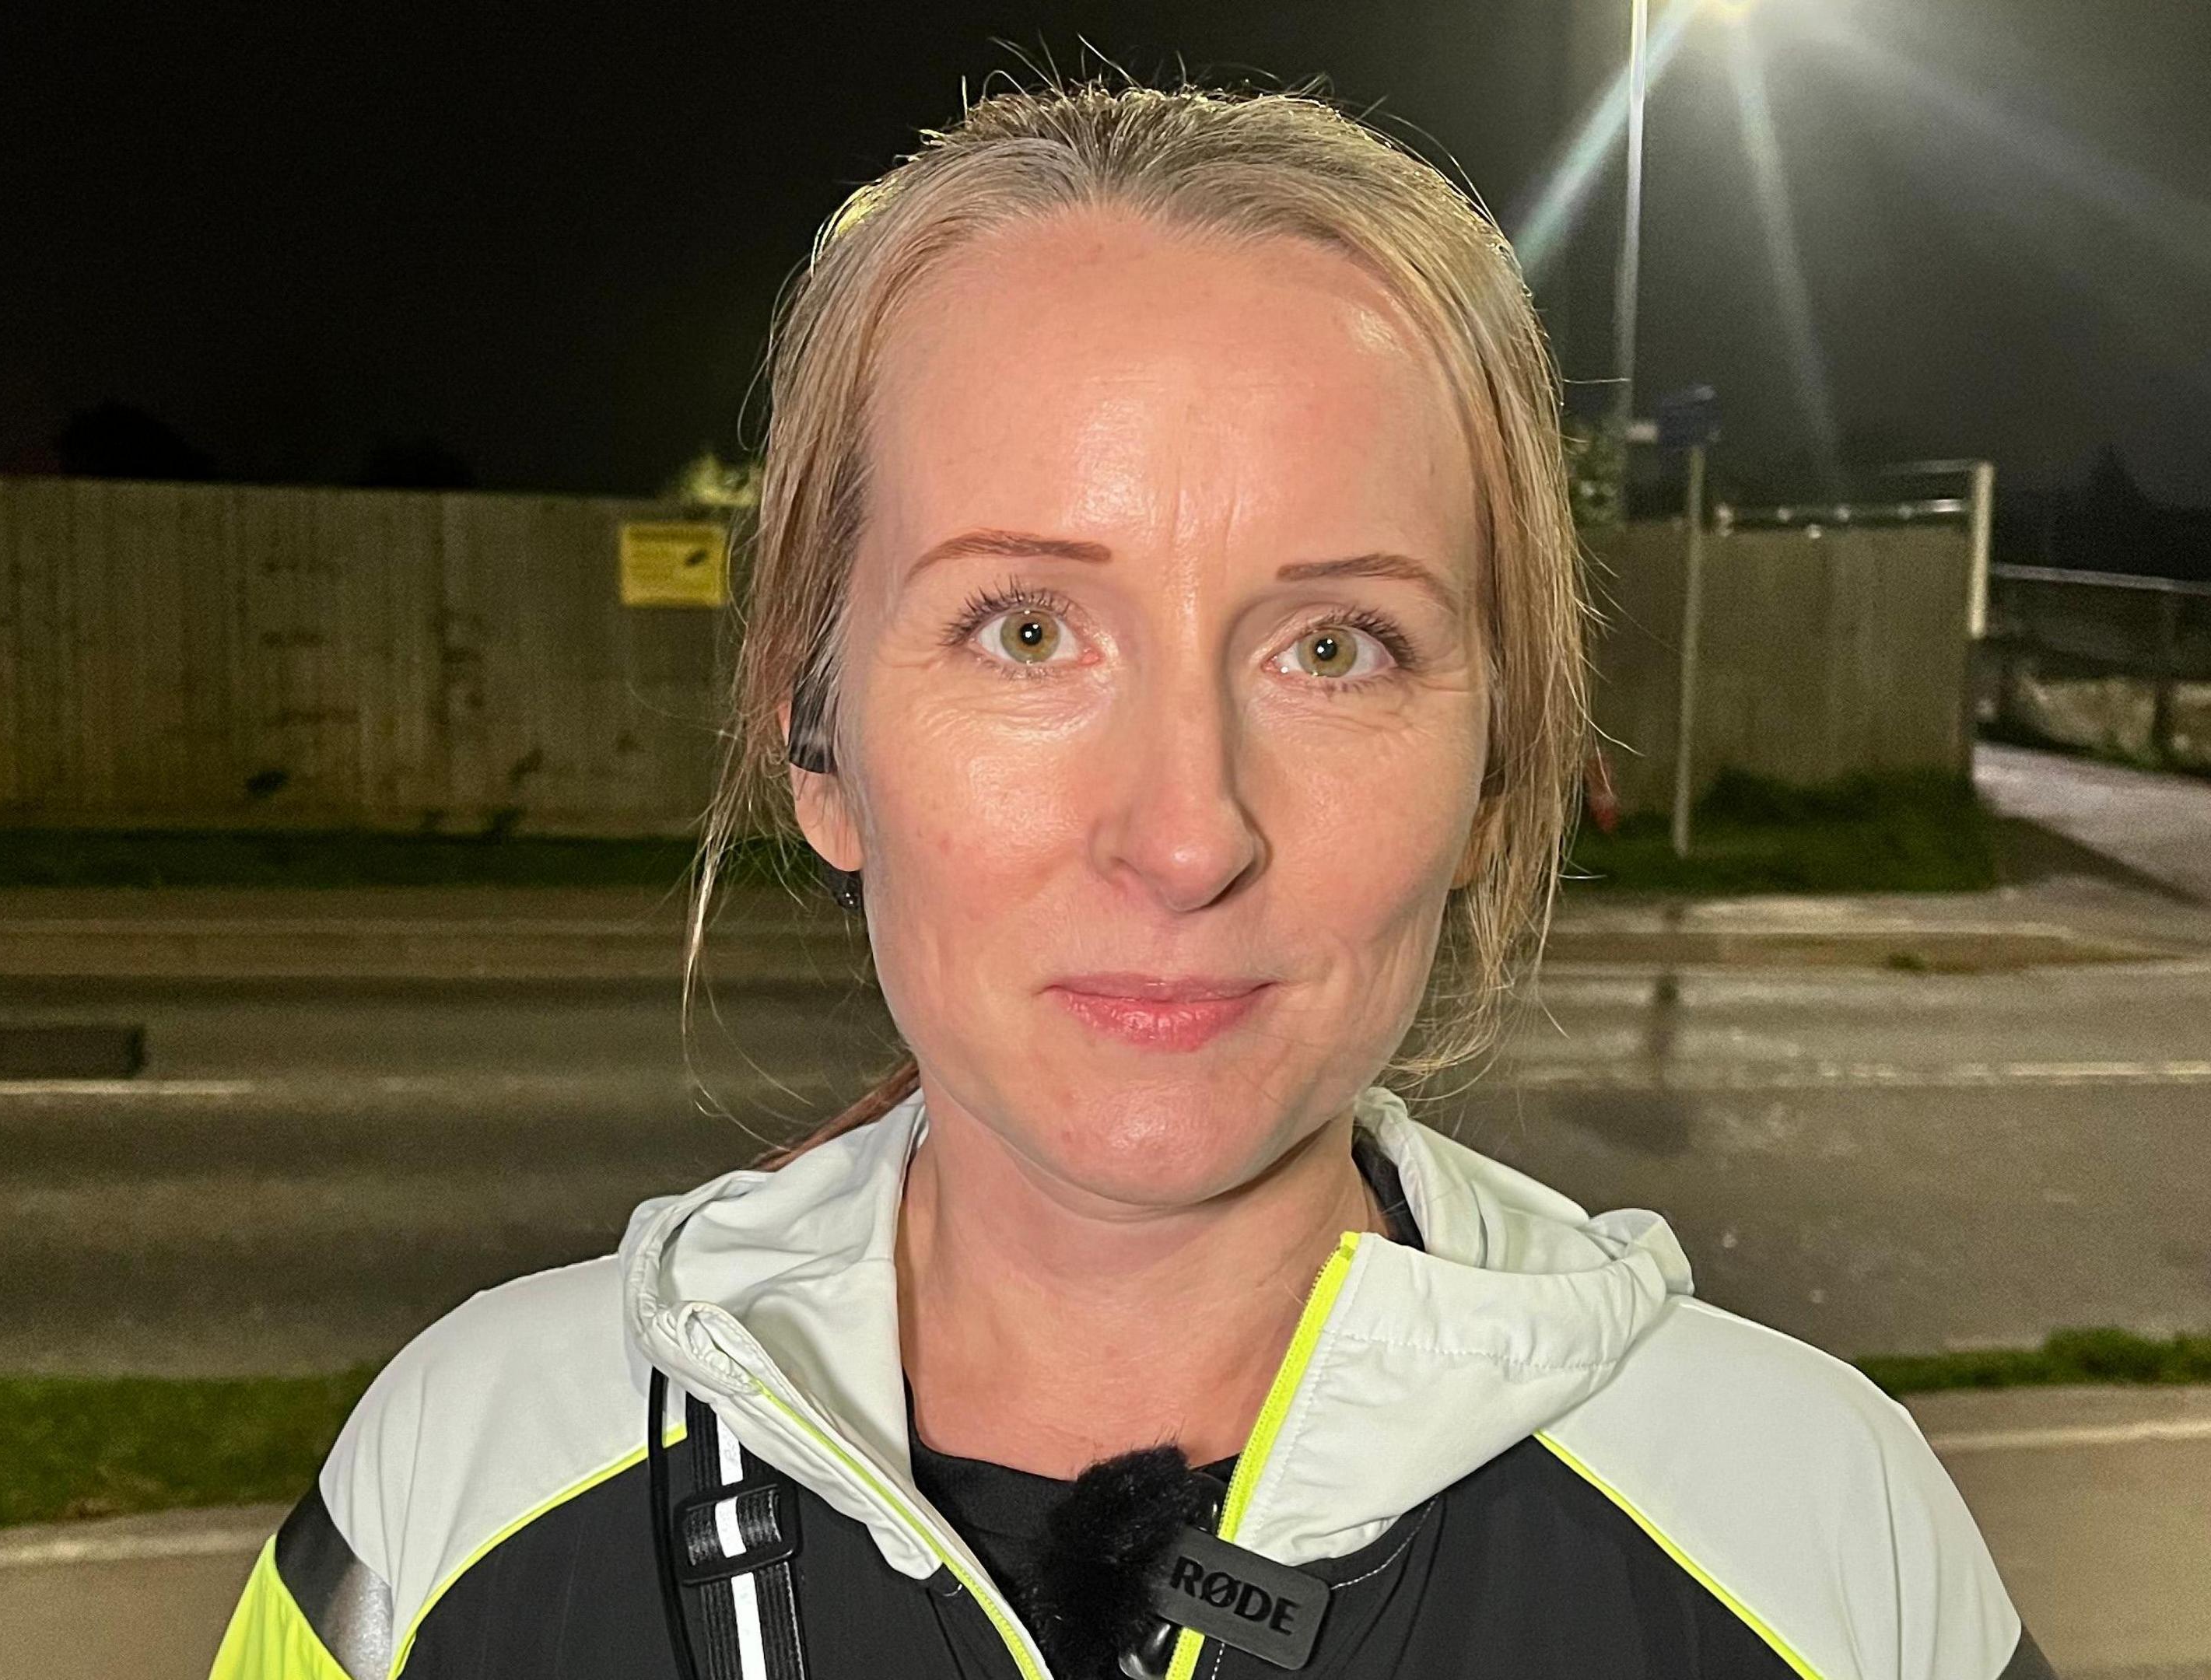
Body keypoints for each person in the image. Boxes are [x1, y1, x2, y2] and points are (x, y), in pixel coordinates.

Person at [210, 82, 2045, 1680]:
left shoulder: (1819, 1541)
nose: (1187, 834)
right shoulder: (450, 1499)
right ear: (818, 741)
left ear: (1499, 776)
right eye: (1026, 629)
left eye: (1335, 648)